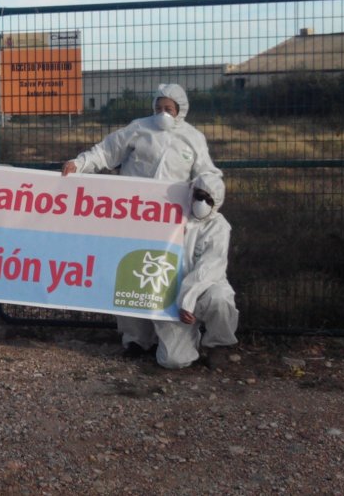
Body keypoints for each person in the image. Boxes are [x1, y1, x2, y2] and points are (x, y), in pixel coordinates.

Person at [61, 83, 221, 356]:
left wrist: (207, 198)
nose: (163, 114)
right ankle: (134, 340)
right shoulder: (139, 128)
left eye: (169, 109)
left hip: (171, 224)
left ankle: (165, 336)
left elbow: (208, 175)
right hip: (133, 218)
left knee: (164, 276)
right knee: (130, 274)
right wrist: (80, 163)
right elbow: (106, 151)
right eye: (158, 108)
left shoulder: (193, 139)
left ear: (181, 110)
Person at [153, 172, 239, 369]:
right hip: (172, 291)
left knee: (220, 299)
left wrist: (187, 301)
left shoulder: (219, 227)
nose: (202, 202)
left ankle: (219, 345)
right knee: (172, 361)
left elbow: (208, 268)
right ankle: (182, 339)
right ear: (191, 193)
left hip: (204, 289)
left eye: (208, 199)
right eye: (199, 196)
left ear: (217, 202)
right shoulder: (172, 215)